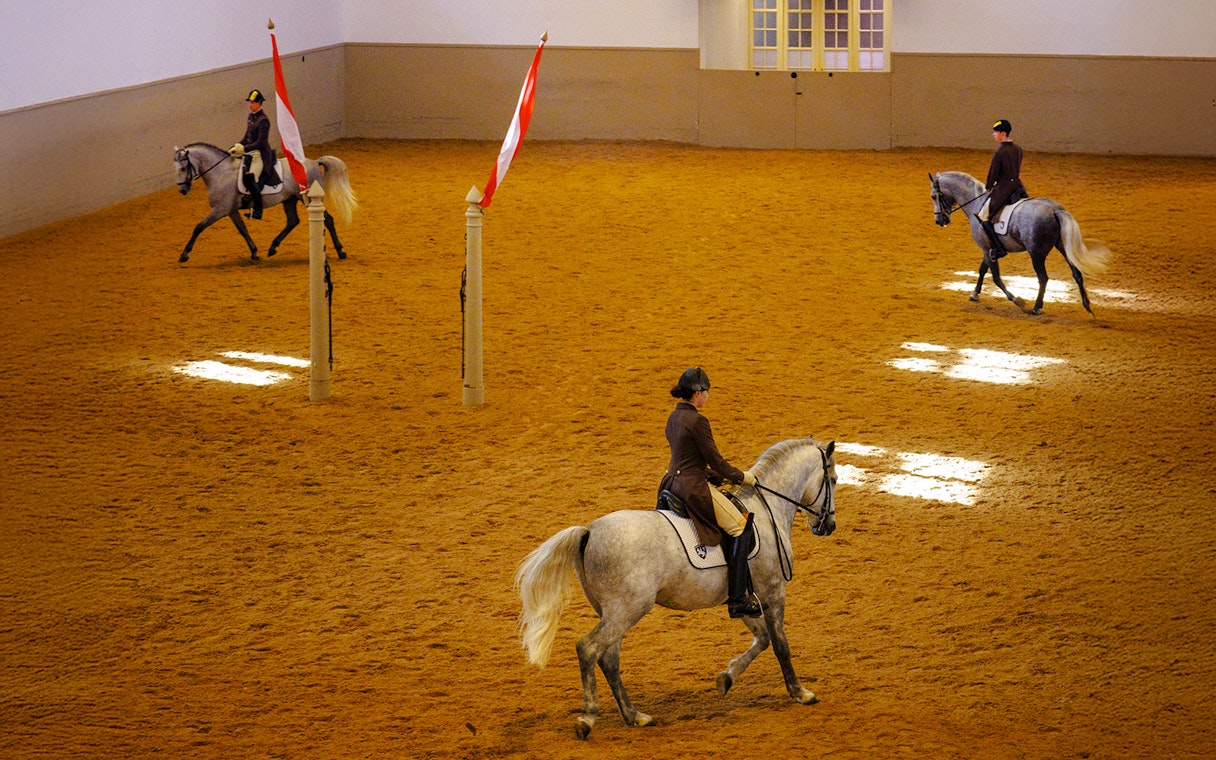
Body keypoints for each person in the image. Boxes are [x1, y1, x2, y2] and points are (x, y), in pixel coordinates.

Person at [657, 367, 762, 618]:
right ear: (697, 394)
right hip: (693, 488)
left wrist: (714, 477)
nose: (708, 396)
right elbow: (716, 461)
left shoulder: (674, 416)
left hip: (672, 482)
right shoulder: (698, 421)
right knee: (740, 526)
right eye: (706, 392)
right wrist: (742, 476)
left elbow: (687, 457)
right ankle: (737, 599)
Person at [977, 119, 1028, 262]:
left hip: (1003, 189)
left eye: (996, 132)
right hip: (1018, 186)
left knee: (984, 217)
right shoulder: (1018, 149)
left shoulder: (1000, 152)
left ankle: (999, 248)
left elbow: (992, 174)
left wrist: (988, 187)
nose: (994, 135)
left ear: (1003, 133)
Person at [229, 89, 281, 220]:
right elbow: (247, 136)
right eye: (250, 102)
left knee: (251, 178)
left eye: (252, 103)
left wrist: (243, 148)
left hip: (260, 154)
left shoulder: (263, 121)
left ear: (259, 103)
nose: (250, 105)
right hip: (250, 152)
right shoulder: (251, 116)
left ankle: (258, 211)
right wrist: (236, 146)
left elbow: (260, 143)